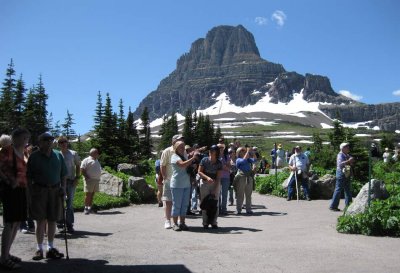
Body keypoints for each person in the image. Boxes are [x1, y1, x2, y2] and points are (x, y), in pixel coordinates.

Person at [27, 132, 67, 260]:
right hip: (39, 190)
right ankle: (39, 248)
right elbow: (28, 176)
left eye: (50, 139)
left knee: (52, 219)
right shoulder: (34, 157)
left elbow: (63, 174)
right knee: (40, 220)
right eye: (45, 140)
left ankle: (50, 247)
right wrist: (30, 191)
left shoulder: (58, 155)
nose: (49, 142)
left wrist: (63, 188)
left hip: (55, 190)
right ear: (40, 142)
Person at [0, 128, 30, 269]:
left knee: (17, 222)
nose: (26, 141)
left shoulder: (23, 152)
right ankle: (4, 259)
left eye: (27, 138)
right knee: (10, 223)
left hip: (21, 189)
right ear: (15, 138)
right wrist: (8, 180)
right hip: (10, 190)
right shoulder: (7, 150)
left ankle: (6, 253)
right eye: (24, 138)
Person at [56, 136, 81, 233]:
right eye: (61, 142)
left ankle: (69, 224)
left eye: (65, 142)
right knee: (60, 203)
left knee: (69, 204)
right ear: (58, 144)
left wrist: (77, 178)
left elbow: (78, 165)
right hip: (59, 182)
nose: (63, 143)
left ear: (67, 143)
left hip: (71, 181)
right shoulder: (56, 154)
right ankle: (60, 224)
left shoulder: (73, 153)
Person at [170, 141, 196, 231]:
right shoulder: (174, 157)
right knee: (177, 205)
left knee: (184, 205)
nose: (182, 148)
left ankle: (182, 223)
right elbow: (182, 165)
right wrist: (192, 159)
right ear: (176, 148)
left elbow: (186, 166)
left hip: (186, 184)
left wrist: (193, 166)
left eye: (183, 146)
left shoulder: (184, 157)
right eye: (180, 147)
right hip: (177, 184)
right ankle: (175, 223)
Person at [160, 134, 185, 229]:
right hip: (169, 180)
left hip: (180, 180)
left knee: (178, 201)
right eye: (179, 140)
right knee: (168, 201)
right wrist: (165, 177)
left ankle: (178, 219)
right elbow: (162, 165)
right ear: (173, 141)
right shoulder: (167, 151)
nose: (181, 141)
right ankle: (167, 220)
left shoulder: (183, 151)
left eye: (182, 140)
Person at [198, 145, 222, 229]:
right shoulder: (204, 160)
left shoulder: (219, 163)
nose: (211, 153)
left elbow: (218, 177)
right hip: (204, 183)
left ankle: (214, 222)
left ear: (217, 153)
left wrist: (215, 189)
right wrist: (207, 177)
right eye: (211, 152)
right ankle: (205, 222)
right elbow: (199, 172)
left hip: (215, 184)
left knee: (215, 203)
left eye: (213, 152)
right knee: (205, 203)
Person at [329, 143, 355, 211]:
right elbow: (340, 164)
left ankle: (348, 206)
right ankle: (333, 206)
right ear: (342, 148)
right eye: (346, 146)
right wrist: (349, 161)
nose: (348, 147)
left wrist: (351, 162)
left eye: (348, 146)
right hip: (341, 173)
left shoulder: (347, 155)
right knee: (338, 189)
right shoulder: (340, 155)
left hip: (347, 172)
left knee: (348, 190)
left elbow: (350, 164)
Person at [234, 146, 257, 214]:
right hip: (241, 177)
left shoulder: (248, 159)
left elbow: (255, 160)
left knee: (248, 194)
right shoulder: (238, 159)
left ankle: (248, 209)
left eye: (244, 151)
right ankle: (238, 209)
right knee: (240, 194)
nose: (244, 152)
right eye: (242, 151)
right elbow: (243, 160)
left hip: (249, 177)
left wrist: (253, 153)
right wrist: (247, 151)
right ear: (239, 153)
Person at [80, 148, 102, 215]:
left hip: (96, 180)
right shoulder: (86, 160)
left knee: (92, 195)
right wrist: (86, 177)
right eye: (97, 152)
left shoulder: (96, 160)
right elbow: (82, 169)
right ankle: (86, 208)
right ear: (93, 153)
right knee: (88, 194)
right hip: (89, 180)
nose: (98, 154)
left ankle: (90, 208)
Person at [218, 143, 231, 215]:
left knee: (225, 194)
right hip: (218, 177)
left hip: (226, 176)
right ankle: (218, 208)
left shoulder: (227, 156)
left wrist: (225, 167)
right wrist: (225, 167)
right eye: (220, 147)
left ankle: (224, 209)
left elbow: (229, 166)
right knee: (218, 193)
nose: (221, 149)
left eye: (222, 147)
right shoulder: (215, 156)